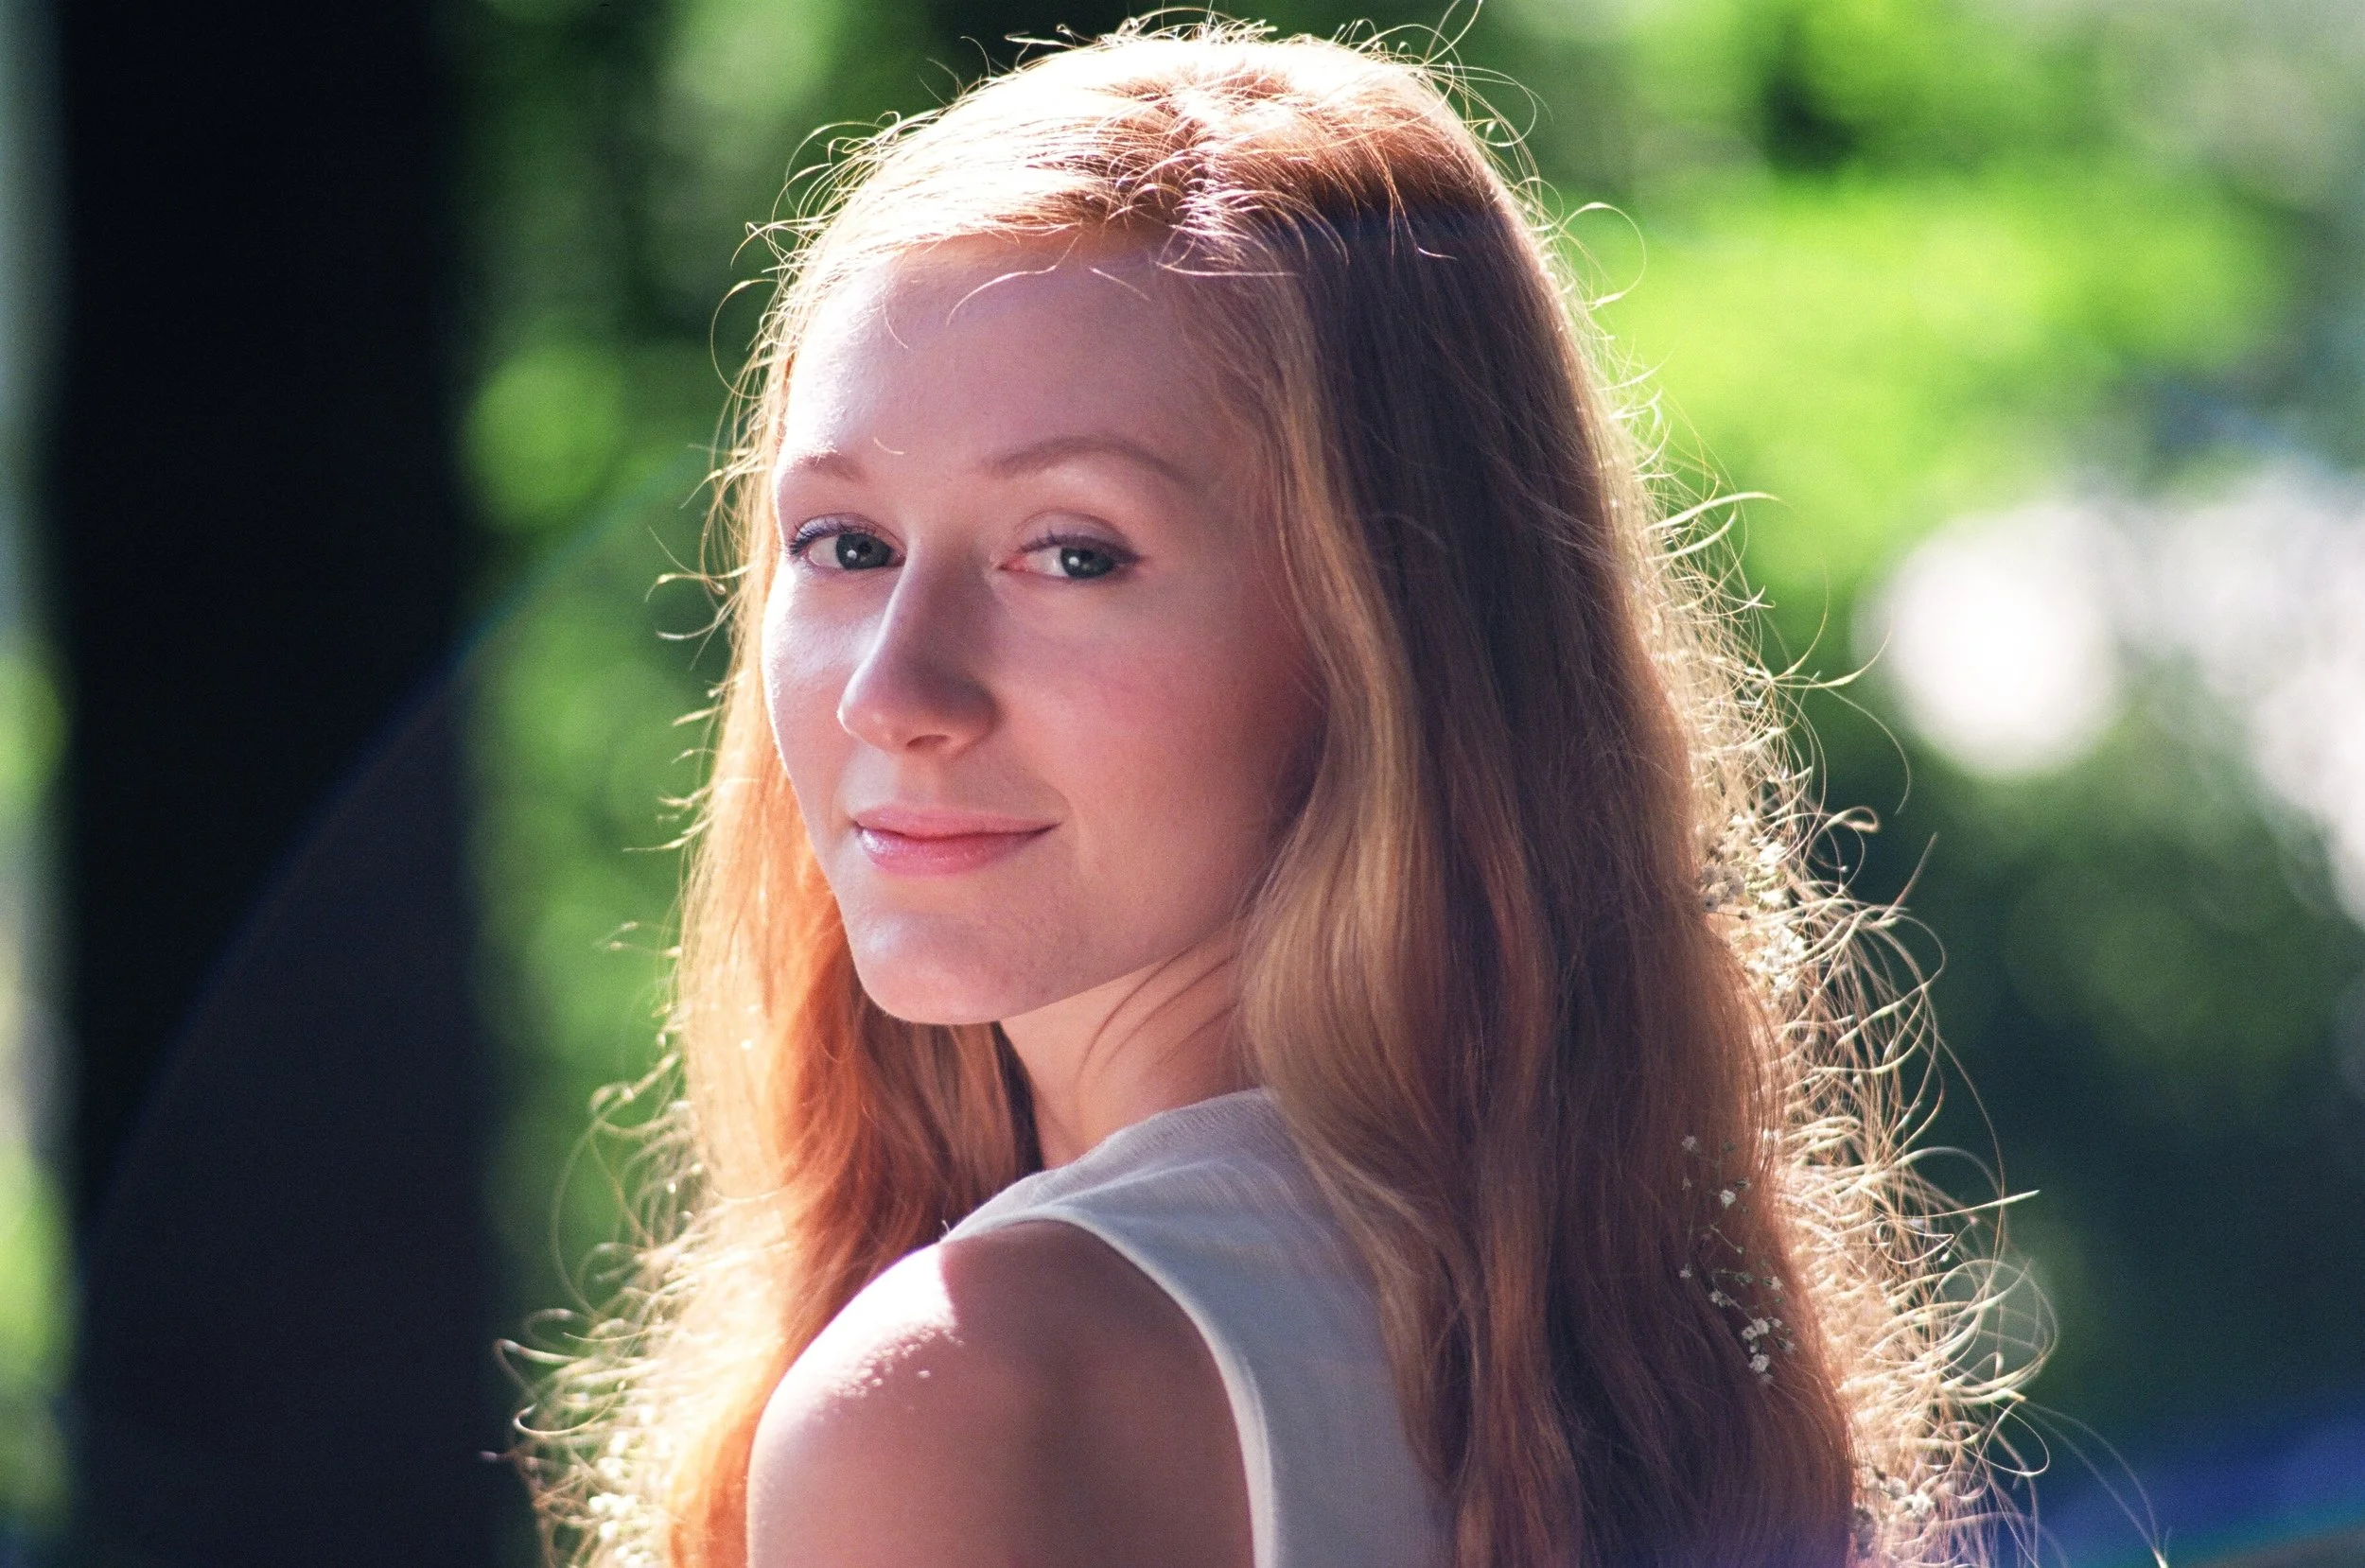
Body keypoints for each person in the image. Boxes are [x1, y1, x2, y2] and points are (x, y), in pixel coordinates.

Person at [520, 23, 2010, 1568]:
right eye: (843, 546)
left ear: (1382, 639)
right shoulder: (1620, 1356)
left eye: (1073, 551)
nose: (892, 694)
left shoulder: (970, 1394)